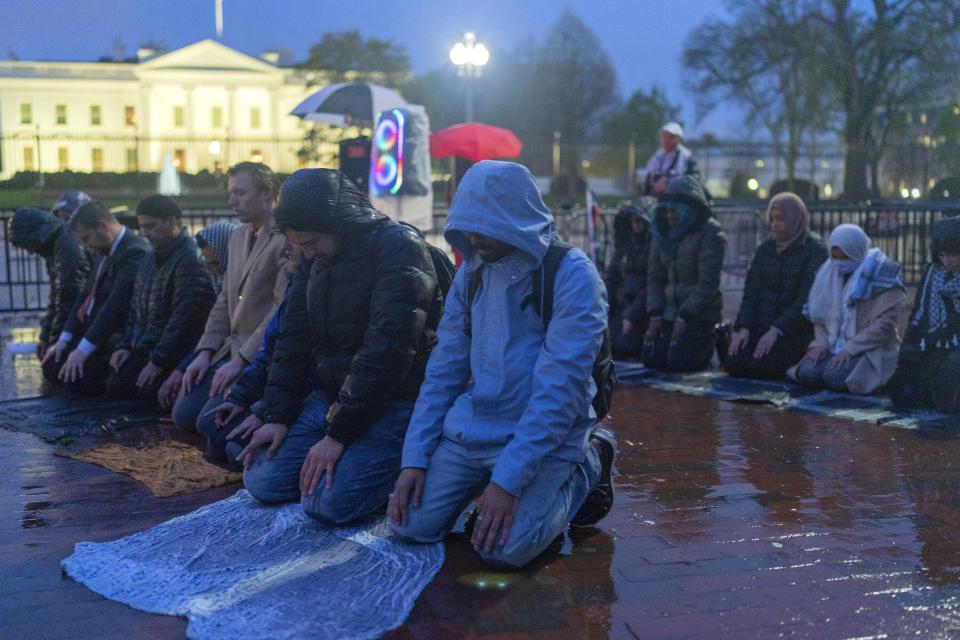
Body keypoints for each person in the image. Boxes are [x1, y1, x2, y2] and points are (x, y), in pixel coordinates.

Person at [387, 160, 616, 570]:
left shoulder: (572, 275)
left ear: (514, 216)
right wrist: (415, 458)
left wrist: (507, 483)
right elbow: (443, 371)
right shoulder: (471, 272)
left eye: (485, 224)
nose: (473, 236)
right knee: (410, 527)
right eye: (467, 225)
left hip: (550, 435)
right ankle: (493, 484)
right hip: (473, 429)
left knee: (503, 551)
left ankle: (589, 461)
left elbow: (559, 391)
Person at [236, 168, 441, 526]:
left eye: (312, 243)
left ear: (338, 222)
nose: (309, 254)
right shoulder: (313, 256)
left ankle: (404, 456)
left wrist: (338, 434)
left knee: (325, 504)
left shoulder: (397, 246)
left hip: (394, 400)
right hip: (333, 395)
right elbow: (293, 335)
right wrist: (276, 414)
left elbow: (388, 349)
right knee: (261, 479)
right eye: (301, 246)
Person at [170, 162, 287, 431]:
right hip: (227, 349)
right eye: (230, 193)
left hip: (256, 355)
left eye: (240, 193)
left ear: (268, 193)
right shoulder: (237, 236)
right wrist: (205, 351)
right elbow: (224, 299)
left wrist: (241, 360)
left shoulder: (284, 239)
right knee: (183, 415)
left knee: (207, 424)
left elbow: (279, 309)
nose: (231, 201)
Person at [104, 196, 216, 405]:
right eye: (142, 227)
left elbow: (183, 320)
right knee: (115, 386)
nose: (145, 233)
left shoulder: (190, 259)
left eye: (151, 226)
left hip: (175, 352)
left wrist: (158, 361)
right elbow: (136, 310)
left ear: (171, 222)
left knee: (146, 393)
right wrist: (125, 345)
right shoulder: (150, 256)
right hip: (149, 346)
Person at [40, 201, 150, 395]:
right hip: (95, 332)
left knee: (76, 377)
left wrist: (82, 350)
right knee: (52, 364)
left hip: (117, 339)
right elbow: (84, 296)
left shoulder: (134, 251)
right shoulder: (104, 249)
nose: (86, 246)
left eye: (86, 238)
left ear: (102, 227)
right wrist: (64, 339)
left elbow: (115, 307)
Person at [787, 223, 904, 394]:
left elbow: (885, 324)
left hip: (867, 348)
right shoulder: (826, 273)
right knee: (808, 373)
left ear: (857, 252)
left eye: (845, 258)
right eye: (835, 257)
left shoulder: (882, 273)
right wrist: (820, 344)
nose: (839, 263)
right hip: (833, 343)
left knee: (834, 377)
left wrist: (850, 349)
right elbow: (819, 317)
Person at [726, 193, 828, 380]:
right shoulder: (765, 249)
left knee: (762, 366)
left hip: (792, 332)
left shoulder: (815, 251)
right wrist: (744, 328)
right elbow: (752, 293)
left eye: (781, 219)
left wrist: (776, 330)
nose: (774, 225)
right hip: (762, 327)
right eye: (772, 219)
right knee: (734, 362)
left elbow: (805, 300)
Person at [642, 176, 726, 372]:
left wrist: (686, 316)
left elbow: (708, 283)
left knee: (679, 361)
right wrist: (655, 314)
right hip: (669, 311)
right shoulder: (662, 232)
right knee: (651, 358)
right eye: (667, 210)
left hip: (698, 313)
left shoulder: (711, 232)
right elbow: (655, 278)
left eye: (675, 210)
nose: (670, 215)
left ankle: (711, 338)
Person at [887, 217, 960, 412]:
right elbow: (919, 315)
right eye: (942, 254)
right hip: (933, 345)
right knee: (901, 391)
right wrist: (907, 357)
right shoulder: (933, 273)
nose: (948, 261)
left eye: (953, 254)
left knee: (947, 396)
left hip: (954, 350)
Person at [9, 207, 91, 361]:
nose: (30, 252)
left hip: (87, 321)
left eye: (29, 246)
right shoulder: (54, 245)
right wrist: (46, 337)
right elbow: (57, 296)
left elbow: (68, 298)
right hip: (81, 318)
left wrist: (53, 341)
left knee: (54, 366)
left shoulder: (66, 249)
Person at [606, 198, 655, 359]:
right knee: (606, 343)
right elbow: (612, 277)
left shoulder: (654, 248)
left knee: (624, 346)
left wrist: (631, 315)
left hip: (642, 309)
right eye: (633, 220)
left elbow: (653, 285)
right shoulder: (625, 246)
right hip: (623, 306)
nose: (636, 224)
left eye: (640, 220)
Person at [641, 122, 699, 195]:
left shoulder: (687, 157)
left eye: (671, 137)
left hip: (678, 199)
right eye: (664, 136)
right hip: (656, 199)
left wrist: (668, 186)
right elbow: (648, 179)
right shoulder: (657, 157)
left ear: (679, 139)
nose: (666, 140)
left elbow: (694, 181)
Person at [195, 219, 239, 295]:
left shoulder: (246, 279)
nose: (214, 270)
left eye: (216, 263)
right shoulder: (214, 277)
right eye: (209, 264)